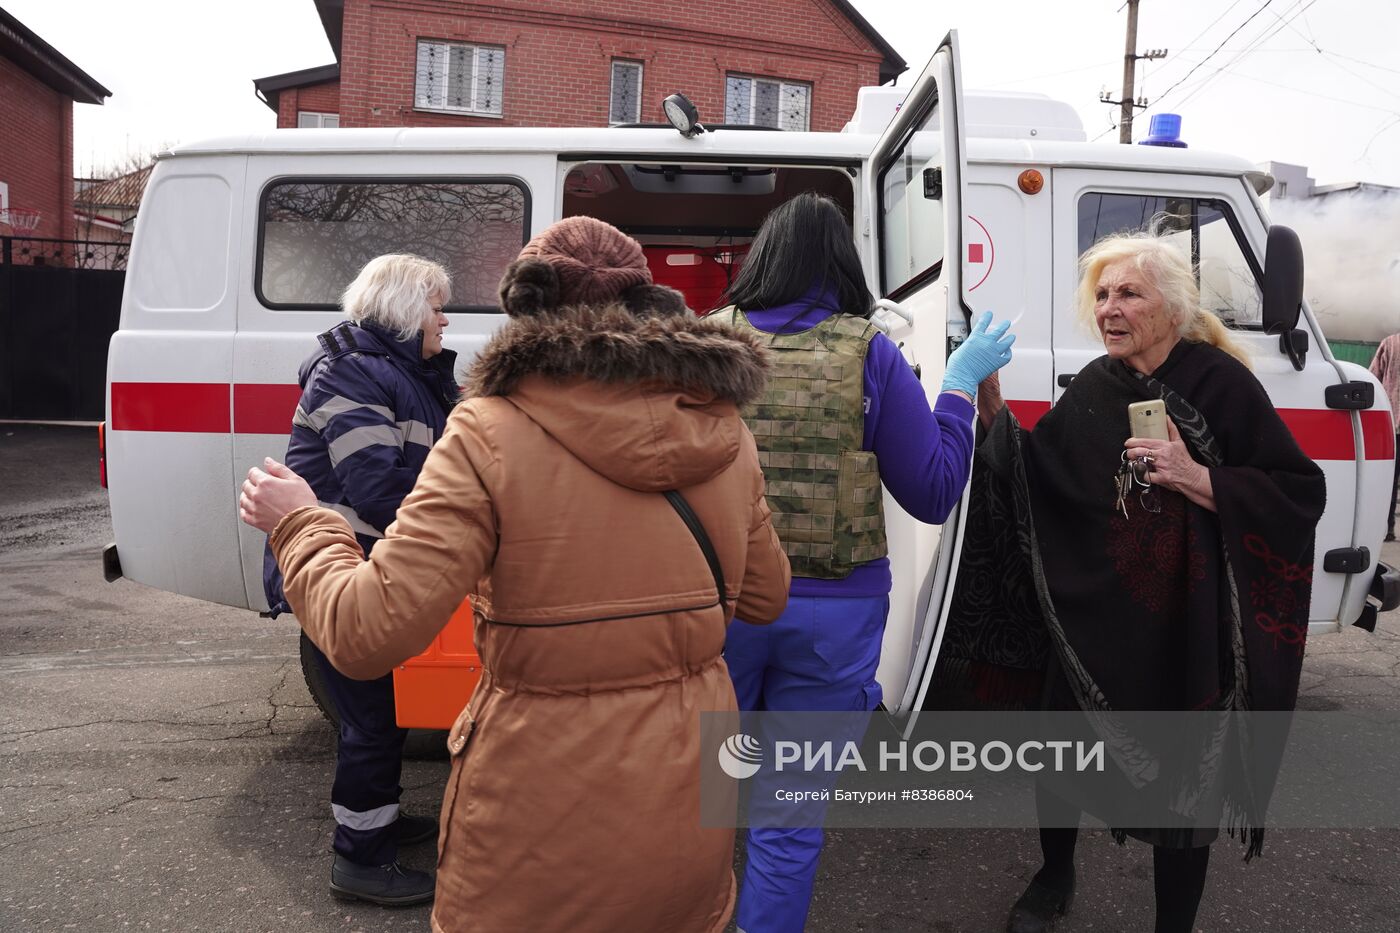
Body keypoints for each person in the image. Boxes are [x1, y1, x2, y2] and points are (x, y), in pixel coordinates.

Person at [241, 216, 792, 933]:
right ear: (647, 304)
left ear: (525, 311)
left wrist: (302, 521)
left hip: (539, 810)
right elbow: (766, 594)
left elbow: (365, 631)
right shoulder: (725, 428)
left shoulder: (488, 429)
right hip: (689, 792)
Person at [961, 230, 1325, 933]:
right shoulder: (1099, 383)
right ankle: (1054, 870)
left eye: (1128, 292)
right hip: (1095, 613)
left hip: (1184, 627)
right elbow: (1045, 474)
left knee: (1181, 787)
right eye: (1101, 294)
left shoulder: (1221, 383)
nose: (1109, 308)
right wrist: (993, 411)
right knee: (1061, 745)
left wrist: (1201, 477)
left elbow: (1298, 491)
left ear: (1173, 308)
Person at [706, 192, 1016, 933]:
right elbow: (935, 489)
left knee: (703, 801)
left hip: (719, 608)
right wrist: (960, 386)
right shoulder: (868, 350)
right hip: (834, 618)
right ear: (844, 261)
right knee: (788, 815)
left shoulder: (706, 343)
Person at [260, 253, 459, 906]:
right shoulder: (350, 372)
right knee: (371, 720)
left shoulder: (403, 373)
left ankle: (378, 816)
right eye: (436, 307)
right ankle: (359, 859)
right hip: (335, 570)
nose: (445, 319)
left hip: (362, 565)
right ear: (404, 309)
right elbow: (377, 485)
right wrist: (458, 524)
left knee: (383, 714)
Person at [1369, 332, 1400, 542]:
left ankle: (1387, 528)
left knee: (1390, 480)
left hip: (1392, 426)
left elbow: (1373, 378)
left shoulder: (1390, 343)